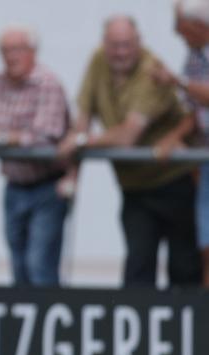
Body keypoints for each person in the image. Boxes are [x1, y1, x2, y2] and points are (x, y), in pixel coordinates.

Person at [58, 15, 203, 287]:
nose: (121, 52)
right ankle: (140, 328)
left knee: (183, 266)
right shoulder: (98, 60)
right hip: (133, 187)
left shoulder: (152, 69)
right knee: (138, 265)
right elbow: (83, 117)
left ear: (138, 42)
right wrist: (73, 173)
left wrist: (80, 142)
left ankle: (185, 329)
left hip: (173, 182)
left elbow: (127, 135)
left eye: (127, 45)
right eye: (115, 45)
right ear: (104, 43)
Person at [0, 25, 73, 287]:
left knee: (40, 264)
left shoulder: (48, 83)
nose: (11, 56)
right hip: (14, 186)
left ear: (32, 51)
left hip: (48, 186)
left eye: (17, 49)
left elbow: (45, 136)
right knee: (19, 264)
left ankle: (49, 322)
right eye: (5, 50)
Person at [151, 0, 209, 286]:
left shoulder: (187, 70)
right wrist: (172, 138)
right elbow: (194, 113)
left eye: (181, 26)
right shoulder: (195, 56)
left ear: (200, 26)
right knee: (206, 245)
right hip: (206, 160)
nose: (176, 32)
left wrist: (177, 81)